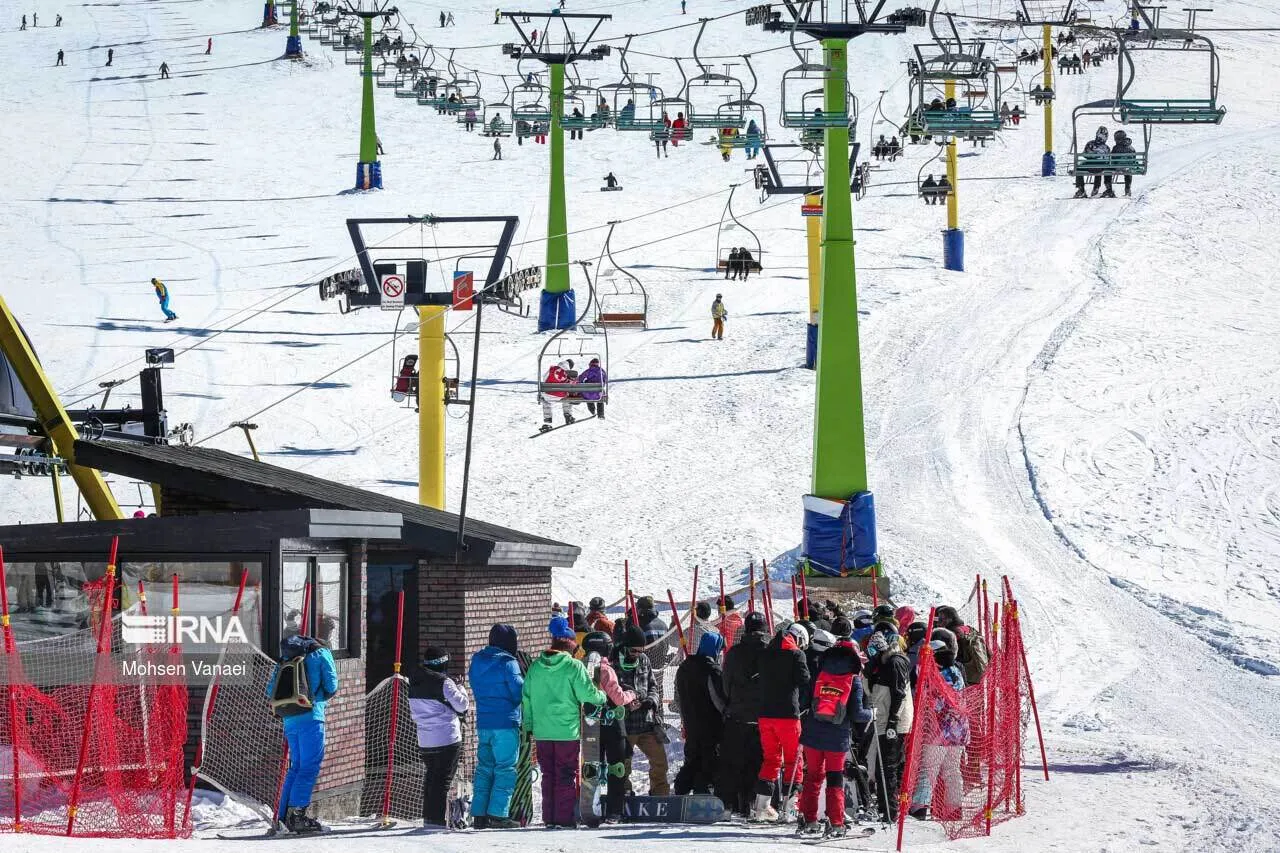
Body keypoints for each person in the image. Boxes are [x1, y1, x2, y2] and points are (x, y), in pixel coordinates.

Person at [522, 616, 606, 828]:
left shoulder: (535, 667)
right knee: (566, 775)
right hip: (566, 732)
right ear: (568, 642)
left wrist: (529, 725)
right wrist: (602, 696)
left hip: (542, 732)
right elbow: (588, 694)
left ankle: (549, 817)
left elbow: (526, 699)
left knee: (548, 775)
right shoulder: (573, 666)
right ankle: (564, 818)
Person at [797, 635, 870, 836]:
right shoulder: (853, 680)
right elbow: (857, 714)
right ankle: (836, 821)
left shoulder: (819, 674)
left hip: (812, 735)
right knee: (835, 778)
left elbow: (804, 702)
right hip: (837, 738)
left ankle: (809, 819)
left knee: (813, 777)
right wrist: (872, 713)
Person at [267, 633, 338, 834]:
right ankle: (297, 817)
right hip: (311, 716)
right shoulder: (321, 653)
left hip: (289, 718)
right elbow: (332, 686)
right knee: (309, 767)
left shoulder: (285, 657)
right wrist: (318, 697)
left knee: (296, 767)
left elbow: (270, 690)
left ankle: (282, 817)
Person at [753, 622, 811, 823]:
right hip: (788, 715)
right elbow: (805, 680)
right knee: (794, 760)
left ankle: (762, 807)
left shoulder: (764, 654)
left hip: (765, 715)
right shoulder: (797, 655)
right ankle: (790, 808)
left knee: (771, 759)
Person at [468, 625, 524, 829]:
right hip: (506, 723)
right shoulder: (508, 663)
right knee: (505, 769)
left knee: (484, 768)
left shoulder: (476, 660)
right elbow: (519, 693)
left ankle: (479, 814)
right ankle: (498, 814)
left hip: (484, 722)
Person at [409, 647, 471, 827]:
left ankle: (429, 817)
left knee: (431, 779)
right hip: (447, 738)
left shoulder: (415, 681)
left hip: (425, 740)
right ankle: (435, 821)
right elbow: (462, 705)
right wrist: (461, 687)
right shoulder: (444, 682)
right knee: (442, 781)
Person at [581, 630, 638, 824]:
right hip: (612, 726)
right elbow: (618, 698)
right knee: (616, 768)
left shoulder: (579, 668)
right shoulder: (606, 669)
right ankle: (615, 811)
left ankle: (591, 809)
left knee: (592, 769)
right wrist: (632, 694)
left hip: (590, 726)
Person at [909, 640, 968, 821]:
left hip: (939, 731)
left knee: (929, 770)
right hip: (958, 731)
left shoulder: (937, 675)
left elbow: (935, 704)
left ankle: (919, 807)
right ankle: (954, 809)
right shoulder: (956, 671)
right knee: (952, 771)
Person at [718, 610, 769, 817]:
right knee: (758, 763)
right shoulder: (769, 652)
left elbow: (726, 685)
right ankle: (754, 804)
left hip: (737, 715)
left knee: (734, 763)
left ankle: (730, 805)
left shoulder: (733, 653)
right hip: (763, 717)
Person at [614, 622, 670, 796]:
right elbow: (609, 692)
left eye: (641, 651)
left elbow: (653, 685)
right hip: (625, 725)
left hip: (646, 722)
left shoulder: (644, 660)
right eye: (634, 651)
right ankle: (624, 794)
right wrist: (625, 704)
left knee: (660, 762)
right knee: (623, 765)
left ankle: (660, 795)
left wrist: (650, 701)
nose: (637, 654)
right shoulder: (614, 662)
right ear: (625, 647)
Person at [865, 626, 912, 822]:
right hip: (882, 719)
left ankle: (891, 810)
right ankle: (885, 806)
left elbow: (899, 693)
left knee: (888, 765)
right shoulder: (881, 663)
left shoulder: (895, 662)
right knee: (881, 765)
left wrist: (893, 719)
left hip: (894, 722)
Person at [674, 630, 727, 796]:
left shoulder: (684, 667)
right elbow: (718, 699)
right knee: (708, 762)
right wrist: (726, 714)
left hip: (690, 721)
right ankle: (701, 792)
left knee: (691, 759)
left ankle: (681, 789)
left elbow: (677, 698)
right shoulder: (711, 670)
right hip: (710, 724)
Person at [933, 605, 990, 684]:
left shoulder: (952, 633)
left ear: (949, 620)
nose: (938, 623)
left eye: (941, 619)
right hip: (979, 671)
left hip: (967, 675)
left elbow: (947, 657)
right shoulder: (969, 629)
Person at [1074, 126, 1113, 199]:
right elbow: (1107, 159)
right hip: (1101, 168)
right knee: (1104, 167)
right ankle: (1097, 188)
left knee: (1078, 168)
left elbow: (1085, 155)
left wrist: (1092, 157)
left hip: (1089, 167)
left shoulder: (1090, 144)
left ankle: (1081, 189)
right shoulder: (1106, 147)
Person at [539, 359, 575, 431]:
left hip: (548, 394)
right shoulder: (569, 373)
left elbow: (544, 378)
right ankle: (568, 415)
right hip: (561, 396)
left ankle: (547, 422)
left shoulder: (552, 368)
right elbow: (572, 385)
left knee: (546, 401)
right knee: (567, 397)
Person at [1110, 129, 1136, 197]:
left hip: (1117, 168)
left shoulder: (1116, 148)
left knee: (1108, 169)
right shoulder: (1131, 148)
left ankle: (1109, 189)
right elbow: (1134, 159)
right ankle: (1127, 189)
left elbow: (1112, 158)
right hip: (1127, 168)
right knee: (1128, 170)